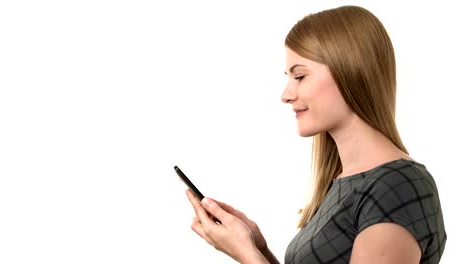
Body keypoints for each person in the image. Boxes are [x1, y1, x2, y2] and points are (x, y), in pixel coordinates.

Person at [186, 5, 446, 264]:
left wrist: (248, 255)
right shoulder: (345, 183)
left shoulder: (395, 186)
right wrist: (258, 248)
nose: (286, 94)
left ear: (350, 71)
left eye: (300, 76)